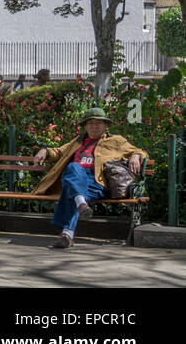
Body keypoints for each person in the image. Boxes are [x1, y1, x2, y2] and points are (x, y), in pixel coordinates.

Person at [31, 107, 147, 250]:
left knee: (71, 186)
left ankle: (76, 212)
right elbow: (59, 151)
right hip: (76, 178)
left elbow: (140, 151)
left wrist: (136, 155)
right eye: (90, 123)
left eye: (98, 123)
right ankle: (69, 231)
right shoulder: (78, 141)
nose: (94, 126)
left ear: (105, 125)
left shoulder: (116, 141)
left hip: (96, 183)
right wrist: (44, 151)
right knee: (74, 169)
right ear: (85, 126)